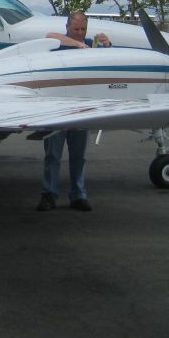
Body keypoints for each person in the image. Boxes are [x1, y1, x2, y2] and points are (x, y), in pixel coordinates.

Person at [36, 11, 111, 212]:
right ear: (68, 27)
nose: (79, 33)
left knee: (79, 156)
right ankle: (49, 194)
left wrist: (107, 46)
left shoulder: (91, 46)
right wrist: (76, 44)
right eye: (76, 29)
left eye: (83, 29)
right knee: (53, 155)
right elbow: (50, 35)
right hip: (57, 108)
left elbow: (107, 63)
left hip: (81, 108)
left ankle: (78, 194)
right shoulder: (58, 44)